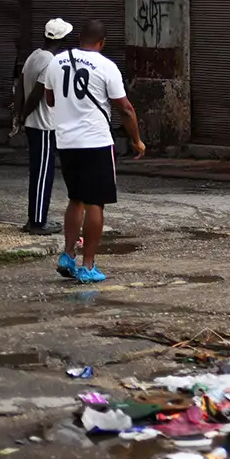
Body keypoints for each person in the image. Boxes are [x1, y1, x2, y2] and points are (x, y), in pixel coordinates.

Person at [40, 20, 146, 283]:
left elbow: (50, 99)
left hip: (66, 142)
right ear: (102, 42)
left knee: (75, 198)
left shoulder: (57, 62)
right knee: (95, 203)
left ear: (79, 39)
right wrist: (137, 140)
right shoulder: (106, 66)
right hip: (95, 142)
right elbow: (126, 109)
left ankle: (67, 255)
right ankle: (88, 266)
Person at [13, 18, 71, 235]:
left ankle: (35, 218)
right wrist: (23, 115)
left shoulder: (34, 56)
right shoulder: (51, 62)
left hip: (33, 124)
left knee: (39, 172)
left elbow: (19, 87)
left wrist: (18, 115)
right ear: (62, 39)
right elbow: (37, 94)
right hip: (44, 126)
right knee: (43, 174)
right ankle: (38, 222)